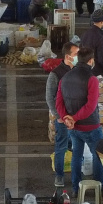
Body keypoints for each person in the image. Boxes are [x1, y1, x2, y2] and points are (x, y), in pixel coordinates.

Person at [56, 48, 103, 192]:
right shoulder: (92, 79)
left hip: (73, 128)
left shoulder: (64, 78)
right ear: (91, 61)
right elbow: (90, 106)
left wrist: (67, 119)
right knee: (98, 155)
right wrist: (74, 118)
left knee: (76, 156)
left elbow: (58, 102)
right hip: (90, 126)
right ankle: (100, 186)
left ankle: (75, 188)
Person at [46, 42, 78, 188]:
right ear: (68, 56)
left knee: (77, 147)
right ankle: (59, 176)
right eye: (76, 54)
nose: (78, 57)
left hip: (77, 118)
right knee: (61, 146)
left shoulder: (78, 70)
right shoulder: (56, 74)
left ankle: (77, 175)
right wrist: (58, 115)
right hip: (63, 118)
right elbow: (49, 97)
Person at [79, 9, 103, 79]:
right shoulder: (100, 38)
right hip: (98, 74)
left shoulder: (85, 34)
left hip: (85, 71)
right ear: (102, 22)